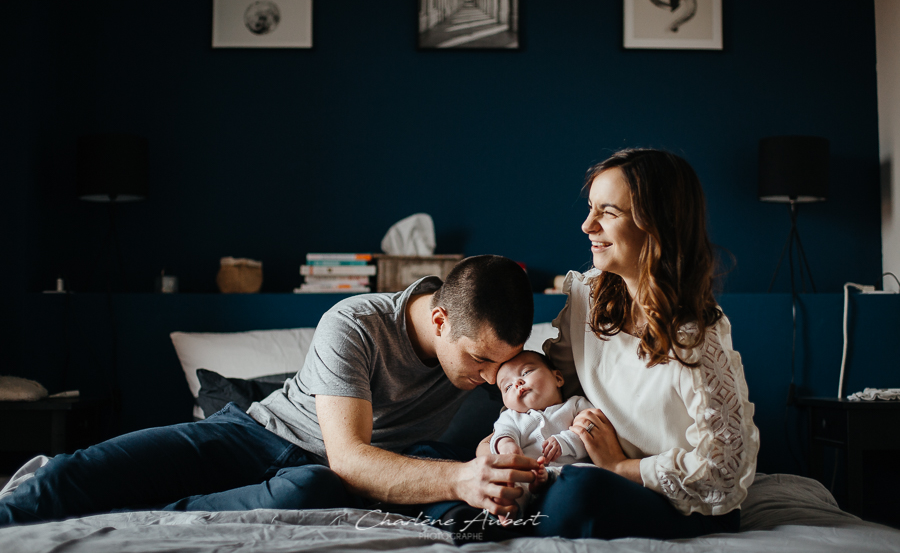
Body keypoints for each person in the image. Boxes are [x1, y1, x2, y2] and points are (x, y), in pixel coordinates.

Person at [0, 255, 540, 526]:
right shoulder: (354, 322)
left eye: (503, 364)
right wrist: (463, 478)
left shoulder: (495, 358)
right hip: (251, 435)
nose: (492, 379)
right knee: (72, 474)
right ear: (440, 319)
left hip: (316, 479)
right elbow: (350, 458)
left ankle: (148, 514)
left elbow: (554, 383)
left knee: (312, 490)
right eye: (480, 361)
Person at [477, 149, 760, 540]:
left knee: (579, 491)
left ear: (658, 225)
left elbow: (722, 472)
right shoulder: (588, 297)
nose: (586, 225)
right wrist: (496, 447)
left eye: (608, 213)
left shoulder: (696, 337)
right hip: (586, 468)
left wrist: (616, 466)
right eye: (591, 208)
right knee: (439, 455)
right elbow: (554, 390)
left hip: (676, 499)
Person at [489, 350, 593, 515]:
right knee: (512, 484)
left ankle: (547, 480)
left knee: (587, 472)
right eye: (507, 387)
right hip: (528, 477)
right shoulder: (511, 417)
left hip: (570, 471)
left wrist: (564, 441)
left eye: (526, 372)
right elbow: (502, 432)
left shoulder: (575, 405)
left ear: (557, 378)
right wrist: (507, 445)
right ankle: (508, 510)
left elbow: (592, 433)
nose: (517, 383)